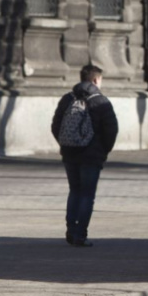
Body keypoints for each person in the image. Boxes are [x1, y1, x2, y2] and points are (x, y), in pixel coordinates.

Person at [51, 64, 118, 247]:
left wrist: (66, 144)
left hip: (70, 154)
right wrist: (103, 151)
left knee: (74, 191)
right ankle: (80, 235)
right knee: (87, 195)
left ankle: (71, 231)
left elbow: (56, 125)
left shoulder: (67, 99)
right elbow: (111, 130)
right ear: (96, 80)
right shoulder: (101, 101)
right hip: (92, 156)